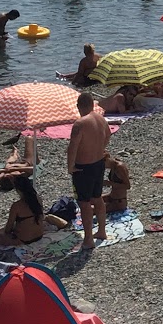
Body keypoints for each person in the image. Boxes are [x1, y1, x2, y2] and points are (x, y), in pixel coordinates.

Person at [66, 92, 111, 251]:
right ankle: (102, 231)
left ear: (79, 106)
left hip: (83, 168)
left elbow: (72, 148)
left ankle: (88, 239)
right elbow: (108, 135)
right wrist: (99, 148)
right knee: (97, 198)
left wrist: (70, 167)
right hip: (98, 163)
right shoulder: (100, 118)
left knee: (84, 203)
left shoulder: (80, 124)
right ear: (92, 105)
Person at [0, 175, 67, 247]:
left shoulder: (16, 206)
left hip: (23, 240)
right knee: (16, 224)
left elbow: (8, 229)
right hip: (39, 235)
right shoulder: (38, 199)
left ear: (18, 190)